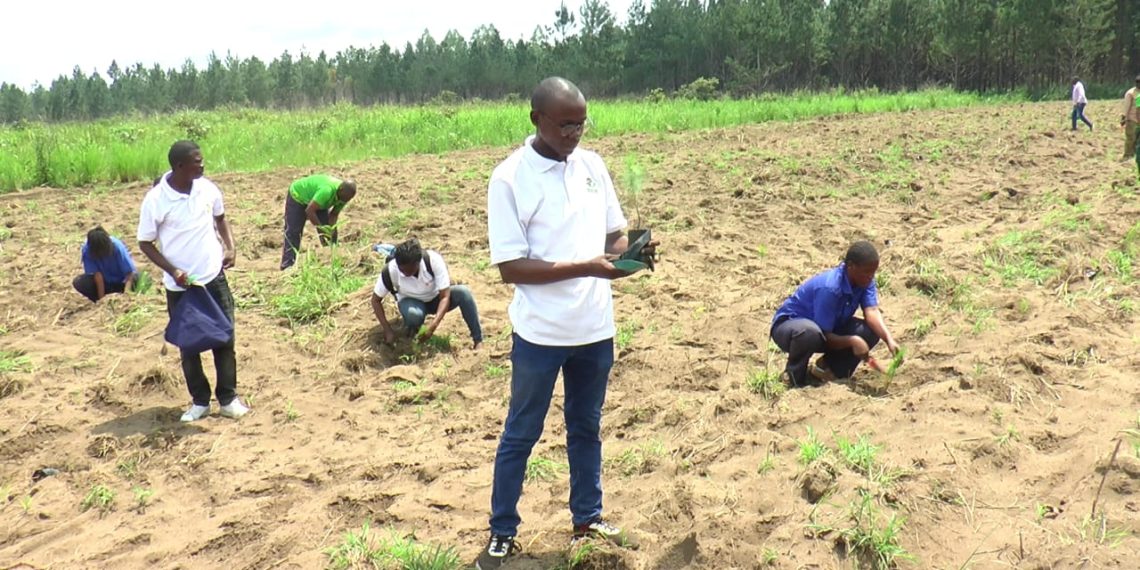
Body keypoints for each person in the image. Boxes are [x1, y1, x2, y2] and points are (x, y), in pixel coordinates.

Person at [478, 77, 654, 569]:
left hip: (595, 329)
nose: (575, 134)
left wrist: (632, 254)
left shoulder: (592, 166)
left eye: (581, 123)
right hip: (540, 334)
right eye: (565, 125)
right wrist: (589, 265)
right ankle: (502, 532)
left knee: (586, 427)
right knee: (522, 432)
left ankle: (587, 518)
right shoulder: (510, 178)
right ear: (536, 119)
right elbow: (511, 268)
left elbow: (613, 239)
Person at [138, 140, 248, 423]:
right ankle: (200, 401)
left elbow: (221, 219)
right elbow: (146, 243)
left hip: (213, 277)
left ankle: (228, 399)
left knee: (225, 337)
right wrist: (173, 270)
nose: (202, 164)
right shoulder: (156, 200)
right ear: (180, 166)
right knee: (189, 346)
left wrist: (230, 247)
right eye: (197, 161)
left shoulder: (208, 189)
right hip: (181, 286)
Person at [770, 241, 900, 387]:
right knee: (810, 333)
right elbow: (824, 335)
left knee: (870, 331)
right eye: (866, 272)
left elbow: (872, 311)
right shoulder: (830, 288)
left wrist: (889, 340)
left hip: (826, 328)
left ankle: (827, 370)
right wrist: (853, 341)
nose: (870, 277)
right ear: (851, 266)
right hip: (792, 329)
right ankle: (793, 377)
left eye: (873, 272)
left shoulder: (864, 281)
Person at [369, 238, 483, 349]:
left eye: (408, 270)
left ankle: (478, 340)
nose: (403, 272)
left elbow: (445, 296)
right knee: (413, 315)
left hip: (435, 299)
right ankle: (413, 334)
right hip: (411, 303)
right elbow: (375, 300)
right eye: (401, 269)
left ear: (418, 263)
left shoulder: (433, 261)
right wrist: (388, 330)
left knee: (464, 293)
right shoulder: (391, 270)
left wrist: (433, 326)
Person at [281, 173, 357, 270]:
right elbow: (309, 211)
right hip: (298, 196)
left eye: (347, 199)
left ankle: (332, 260)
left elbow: (333, 215)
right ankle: (287, 266)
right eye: (344, 198)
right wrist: (321, 228)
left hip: (318, 201)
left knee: (329, 233)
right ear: (340, 190)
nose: (344, 201)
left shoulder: (345, 196)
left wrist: (330, 231)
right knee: (294, 231)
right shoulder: (327, 191)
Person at [72, 226, 139, 302]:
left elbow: (129, 273)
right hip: (106, 284)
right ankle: (97, 300)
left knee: (136, 278)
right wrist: (102, 300)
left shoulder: (117, 247)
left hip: (122, 282)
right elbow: (97, 276)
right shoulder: (87, 250)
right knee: (80, 282)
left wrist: (126, 295)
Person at [1120, 75, 1140, 161]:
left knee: (1137, 140)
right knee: (1131, 138)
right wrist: (1124, 118)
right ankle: (1127, 155)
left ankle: (1135, 155)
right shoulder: (1131, 93)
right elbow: (1126, 107)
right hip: (1132, 120)